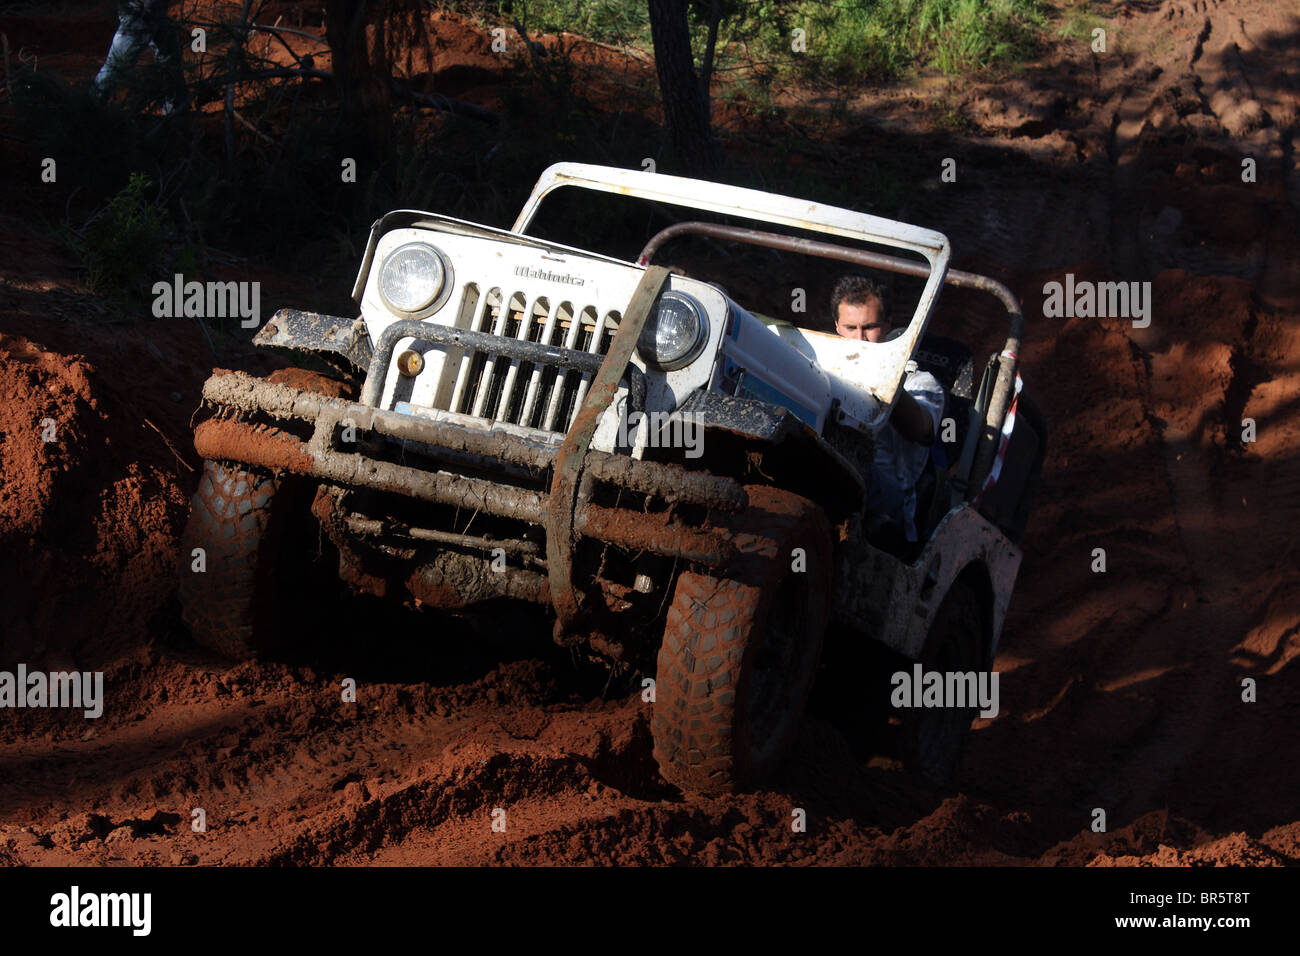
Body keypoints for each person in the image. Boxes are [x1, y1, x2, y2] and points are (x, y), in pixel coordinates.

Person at [831, 274, 946, 544]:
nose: (860, 339)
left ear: (887, 325)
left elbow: (922, 429)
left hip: (891, 500)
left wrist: (880, 377)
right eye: (850, 327)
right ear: (837, 327)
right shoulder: (823, 368)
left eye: (869, 327)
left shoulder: (920, 381)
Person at [91, 0, 187, 116]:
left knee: (171, 58)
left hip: (155, 12)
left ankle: (177, 111)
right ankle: (90, 108)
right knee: (117, 65)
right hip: (138, 14)